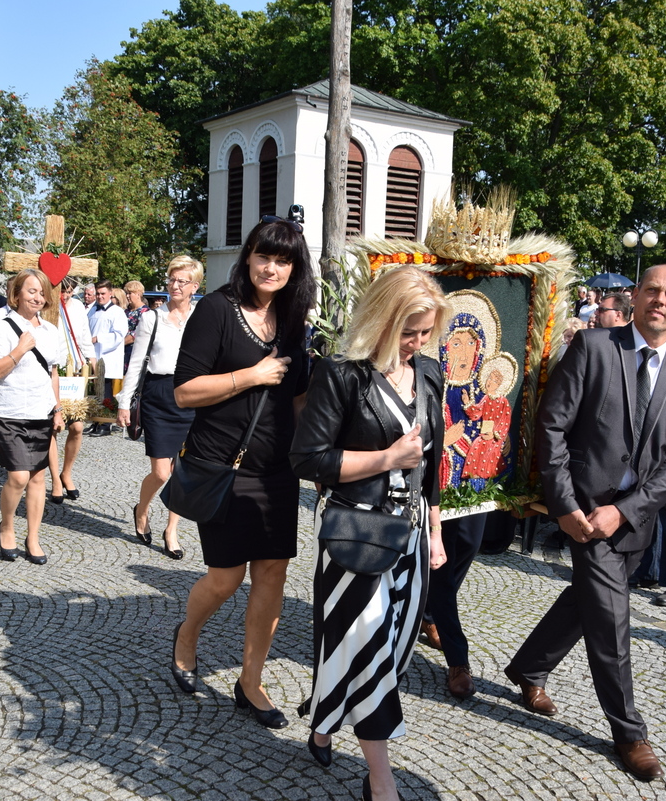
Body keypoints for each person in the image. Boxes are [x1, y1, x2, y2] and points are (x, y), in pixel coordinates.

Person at [502, 264, 666, 782]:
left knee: (585, 601)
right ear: (635, 295)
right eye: (652, 289)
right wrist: (565, 505)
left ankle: (528, 667)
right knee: (612, 619)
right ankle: (629, 732)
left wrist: (629, 510)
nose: (660, 300)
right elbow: (552, 426)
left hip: (635, 519)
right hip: (583, 515)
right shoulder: (594, 347)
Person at [290, 265, 448, 801]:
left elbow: (433, 460)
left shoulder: (429, 373)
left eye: (425, 332)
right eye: (409, 331)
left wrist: (435, 529)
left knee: (393, 646)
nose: (417, 343)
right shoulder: (341, 374)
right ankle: (381, 783)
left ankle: (323, 718)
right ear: (381, 319)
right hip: (354, 530)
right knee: (369, 647)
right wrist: (385, 458)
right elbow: (308, 459)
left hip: (411, 531)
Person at [168, 216, 315, 730]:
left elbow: (297, 398)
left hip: (277, 471)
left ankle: (251, 681)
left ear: (295, 269)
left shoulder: (295, 323)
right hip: (223, 464)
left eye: (283, 260)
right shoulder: (217, 310)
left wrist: (315, 453)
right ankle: (187, 634)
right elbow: (184, 392)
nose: (271, 267)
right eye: (263, 256)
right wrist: (250, 375)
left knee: (272, 575)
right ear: (248, 257)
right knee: (226, 577)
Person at [116, 256, 201, 559]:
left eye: (182, 281)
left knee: (183, 470)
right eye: (171, 279)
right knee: (162, 472)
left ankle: (171, 530)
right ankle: (142, 509)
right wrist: (124, 402)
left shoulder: (201, 317)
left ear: (195, 286)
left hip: (193, 395)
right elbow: (137, 363)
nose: (174, 285)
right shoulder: (152, 318)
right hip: (158, 395)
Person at [0, 268, 63, 565]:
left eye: (42, 292)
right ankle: (7, 526)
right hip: (10, 411)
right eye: (31, 291)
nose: (38, 297)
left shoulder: (50, 331)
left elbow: (53, 372)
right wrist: (19, 350)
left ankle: (33, 537)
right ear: (16, 294)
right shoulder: (1, 327)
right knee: (18, 476)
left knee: (38, 477)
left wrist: (57, 409)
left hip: (41, 412)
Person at [46, 276, 94, 504]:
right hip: (50, 372)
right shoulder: (46, 305)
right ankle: (55, 479)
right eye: (62, 290)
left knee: (77, 427)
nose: (65, 295)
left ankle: (67, 472)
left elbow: (84, 336)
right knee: (53, 427)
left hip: (73, 371)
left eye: (69, 290)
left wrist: (92, 359)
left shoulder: (78, 308)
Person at [86, 280, 128, 436]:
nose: (100, 296)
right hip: (94, 355)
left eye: (103, 293)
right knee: (95, 391)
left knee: (105, 392)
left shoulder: (117, 312)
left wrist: (99, 338)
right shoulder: (92, 310)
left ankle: (105, 423)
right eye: (97, 293)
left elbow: (119, 334)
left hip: (108, 356)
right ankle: (95, 421)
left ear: (110, 293)